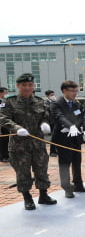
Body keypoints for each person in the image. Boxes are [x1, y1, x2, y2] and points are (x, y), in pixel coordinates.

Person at [0, 73, 57, 210]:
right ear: (18, 86)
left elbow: (45, 115)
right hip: (19, 145)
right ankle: (27, 198)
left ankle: (43, 195)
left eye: (30, 85)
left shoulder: (39, 101)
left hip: (38, 144)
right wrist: (16, 128)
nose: (27, 87)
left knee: (42, 170)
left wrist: (44, 123)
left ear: (33, 86)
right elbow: (3, 118)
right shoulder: (10, 102)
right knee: (22, 172)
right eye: (24, 85)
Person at [50, 81, 85, 198]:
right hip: (63, 138)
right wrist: (69, 126)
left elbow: (81, 117)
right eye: (72, 91)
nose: (75, 93)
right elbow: (59, 117)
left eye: (76, 91)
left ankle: (78, 185)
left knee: (77, 162)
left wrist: (75, 127)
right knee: (65, 163)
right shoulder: (56, 104)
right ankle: (67, 187)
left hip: (75, 137)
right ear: (64, 91)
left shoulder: (77, 104)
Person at [44, 90, 58, 157]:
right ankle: (52, 151)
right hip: (50, 122)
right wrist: (54, 102)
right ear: (47, 96)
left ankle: (56, 150)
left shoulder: (55, 102)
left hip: (56, 121)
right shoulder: (45, 103)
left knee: (57, 137)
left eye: (53, 95)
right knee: (53, 137)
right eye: (51, 95)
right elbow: (48, 109)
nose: (53, 97)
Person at [0, 87, 10, 162]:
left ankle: (6, 155)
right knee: (2, 140)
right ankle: (3, 156)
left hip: (5, 124)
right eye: (5, 93)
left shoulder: (4, 101)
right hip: (1, 125)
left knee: (6, 140)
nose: (7, 94)